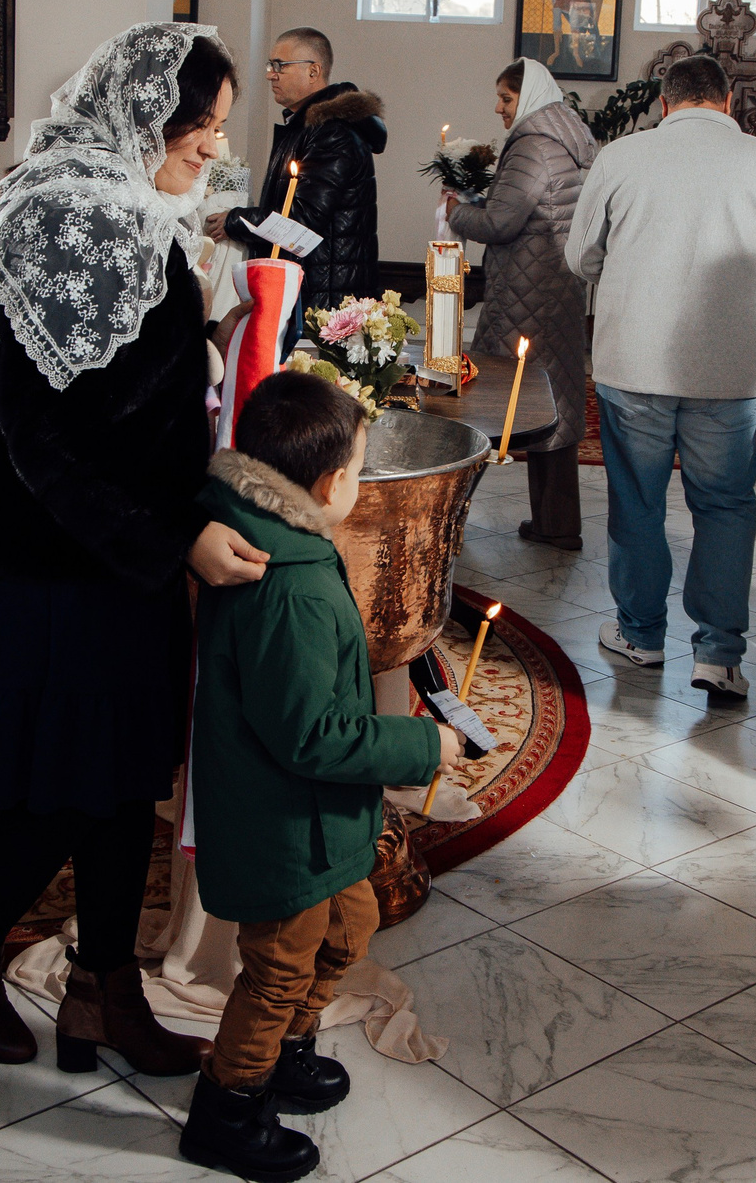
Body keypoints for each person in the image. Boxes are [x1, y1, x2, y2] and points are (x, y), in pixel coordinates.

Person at [0, 22, 268, 1078]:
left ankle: (102, 989)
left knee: (120, 781)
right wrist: (176, 541)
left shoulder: (122, 206)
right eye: (198, 125)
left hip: (122, 558)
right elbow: (40, 440)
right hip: (56, 564)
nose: (210, 148)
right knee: (60, 789)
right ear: (142, 115)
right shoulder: (61, 218)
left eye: (215, 127)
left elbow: (125, 390)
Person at [177, 371, 456, 1180]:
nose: (361, 483)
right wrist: (418, 747)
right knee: (278, 968)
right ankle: (229, 1105)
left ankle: (290, 1048)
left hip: (317, 821)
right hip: (282, 824)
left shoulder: (288, 542)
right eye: (362, 470)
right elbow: (309, 735)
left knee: (349, 925)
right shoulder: (290, 586)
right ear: (331, 485)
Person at [565, 52, 756, 701]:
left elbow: (579, 254)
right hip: (732, 365)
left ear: (665, 103)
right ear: (726, 103)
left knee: (638, 501)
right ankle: (719, 655)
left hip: (637, 359)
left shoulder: (621, 156)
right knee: (726, 504)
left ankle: (641, 633)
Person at [444, 58, 599, 547]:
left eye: (506, 99)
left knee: (487, 402)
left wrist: (456, 213)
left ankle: (445, 518)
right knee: (556, 405)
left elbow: (500, 224)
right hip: (559, 289)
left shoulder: (534, 145)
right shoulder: (567, 137)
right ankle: (557, 525)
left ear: (528, 96)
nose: (499, 108)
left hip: (526, 292)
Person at [207, 27, 387, 311]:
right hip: (312, 286)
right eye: (270, 65)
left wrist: (235, 220)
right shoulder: (305, 127)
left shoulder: (332, 133)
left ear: (314, 71)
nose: (270, 74)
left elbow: (302, 221)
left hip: (324, 296)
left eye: (280, 65)